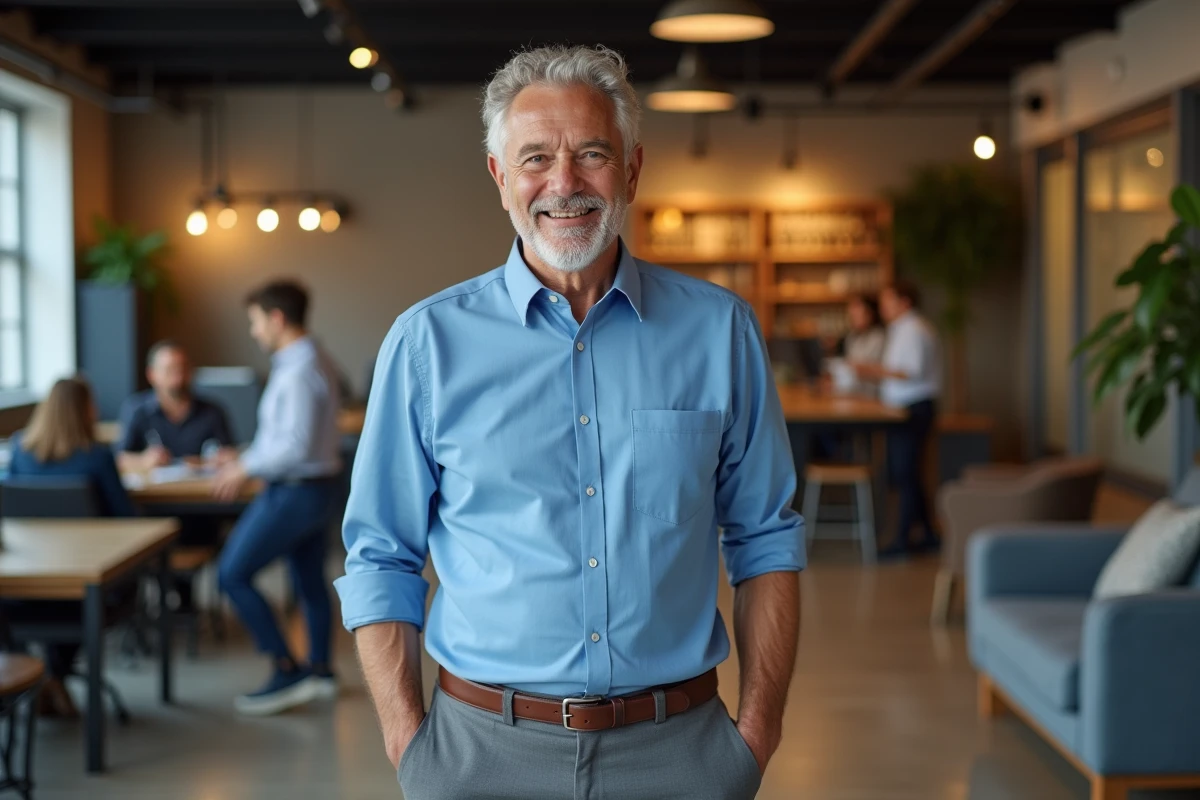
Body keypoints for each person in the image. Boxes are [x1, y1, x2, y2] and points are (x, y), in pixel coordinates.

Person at [337, 45, 804, 800]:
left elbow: (766, 537)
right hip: (479, 753)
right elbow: (381, 555)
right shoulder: (427, 344)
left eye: (591, 154)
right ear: (499, 179)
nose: (564, 183)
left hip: (681, 753)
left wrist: (754, 735)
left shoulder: (720, 333)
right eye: (535, 159)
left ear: (632, 169)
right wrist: (409, 744)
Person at [211, 280, 342, 716]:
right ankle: (320, 672)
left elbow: (294, 447)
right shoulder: (309, 359)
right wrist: (247, 453)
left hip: (294, 491)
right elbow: (285, 438)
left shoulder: (300, 369)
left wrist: (244, 467)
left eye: (254, 321)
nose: (253, 331)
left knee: (231, 573)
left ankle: (287, 669)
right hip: (312, 488)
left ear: (276, 318)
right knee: (308, 581)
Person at [7, 377, 135, 715]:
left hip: (26, 584)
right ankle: (55, 674)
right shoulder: (97, 457)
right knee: (110, 585)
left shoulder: (20, 449)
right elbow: (126, 518)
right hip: (84, 586)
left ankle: (42, 677)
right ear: (84, 409)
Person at [854, 280, 941, 557]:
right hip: (905, 408)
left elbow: (910, 371)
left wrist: (870, 370)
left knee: (905, 475)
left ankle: (902, 542)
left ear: (905, 302)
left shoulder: (914, 330)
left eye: (888, 301)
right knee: (909, 473)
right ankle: (927, 533)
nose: (882, 307)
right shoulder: (903, 329)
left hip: (912, 409)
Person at [117, 340, 236, 473]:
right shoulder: (137, 410)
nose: (178, 377)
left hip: (201, 490)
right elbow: (120, 459)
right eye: (170, 370)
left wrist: (220, 459)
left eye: (183, 368)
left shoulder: (213, 412)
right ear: (151, 375)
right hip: (155, 491)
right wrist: (144, 461)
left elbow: (231, 454)